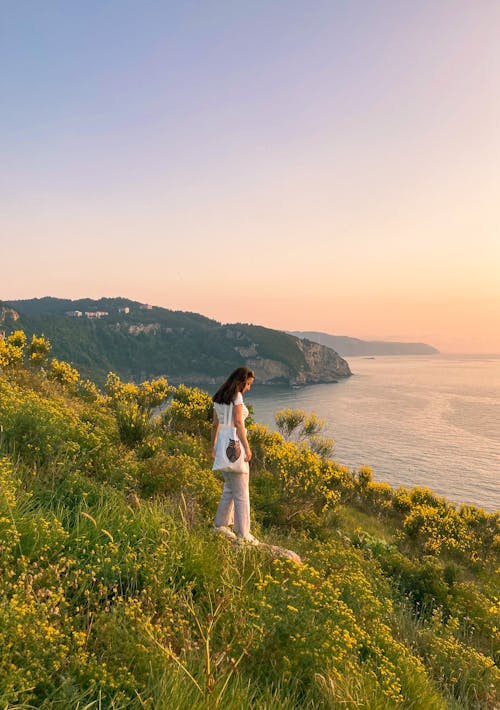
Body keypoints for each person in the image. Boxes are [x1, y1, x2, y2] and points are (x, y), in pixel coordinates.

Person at [211, 367, 259, 544]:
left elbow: (215, 425)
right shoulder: (237, 397)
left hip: (222, 446)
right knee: (242, 493)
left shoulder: (218, 397)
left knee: (230, 488)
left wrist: (213, 447)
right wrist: (247, 448)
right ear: (241, 381)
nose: (248, 388)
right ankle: (243, 533)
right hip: (235, 446)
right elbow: (238, 423)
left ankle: (220, 524)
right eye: (248, 384)